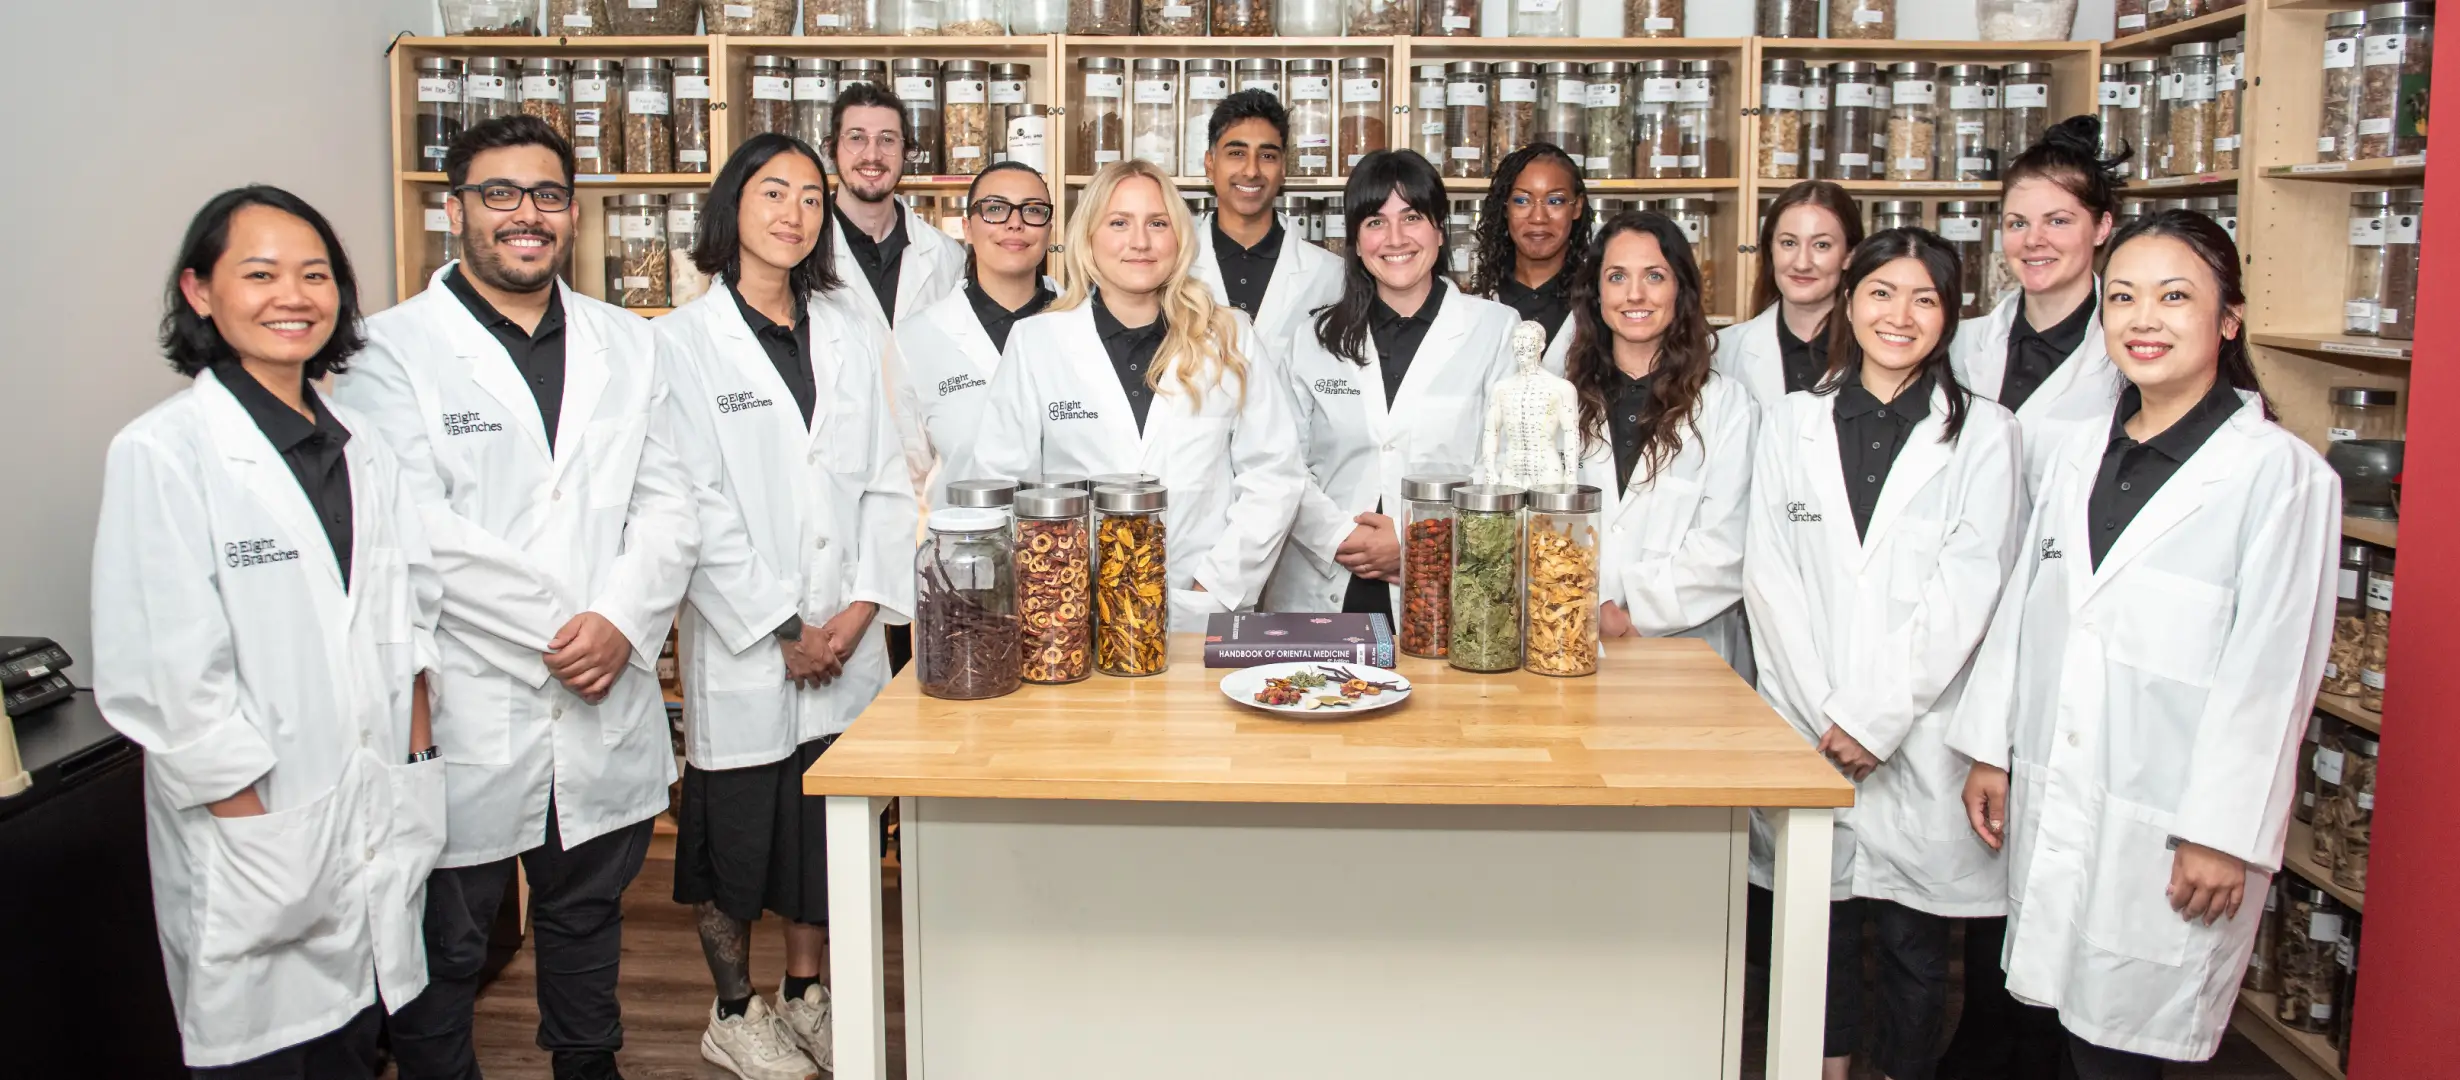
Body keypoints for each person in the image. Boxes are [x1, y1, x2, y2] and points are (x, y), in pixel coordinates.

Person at [336, 115, 700, 1080]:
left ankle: (590, 1067)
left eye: (545, 195)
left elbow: (670, 503)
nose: (525, 215)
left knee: (587, 915)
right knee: (447, 941)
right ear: (455, 209)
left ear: (573, 213)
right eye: (500, 194)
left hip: (603, 685)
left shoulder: (631, 342)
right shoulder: (385, 352)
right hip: (470, 698)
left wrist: (620, 623)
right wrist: (565, 631)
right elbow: (412, 528)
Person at [1949, 210, 2339, 1080]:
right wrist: (1989, 750)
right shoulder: (2079, 450)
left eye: (2174, 297)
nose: (2143, 319)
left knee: (2119, 1050)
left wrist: (2220, 833)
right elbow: (2026, 608)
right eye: (2122, 298)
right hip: (2059, 790)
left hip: (2169, 827)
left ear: (2227, 319)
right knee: (2047, 1025)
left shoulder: (2278, 477)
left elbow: (2273, 672)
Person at [92, 185, 445, 1078]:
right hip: (257, 840)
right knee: (269, 1055)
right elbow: (170, 686)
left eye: (316, 274)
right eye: (261, 274)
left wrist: (414, 763)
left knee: (355, 1046)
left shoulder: (363, 444)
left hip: (369, 818)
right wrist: (259, 839)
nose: (294, 296)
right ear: (200, 293)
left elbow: (412, 616)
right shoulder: (165, 453)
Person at [655, 131, 919, 1080]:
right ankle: (734, 1008)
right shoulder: (679, 345)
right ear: (733, 208)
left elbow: (887, 482)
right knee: (731, 838)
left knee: (824, 833)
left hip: (842, 641)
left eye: (811, 198)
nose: (794, 214)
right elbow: (689, 502)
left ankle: (807, 992)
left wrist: (855, 615)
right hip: (747, 643)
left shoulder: (849, 334)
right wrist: (781, 625)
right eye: (774, 193)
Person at [1742, 228, 2025, 1080]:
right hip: (1808, 720)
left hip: (1918, 730)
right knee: (1814, 932)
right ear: (1850, 301)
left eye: (1924, 299)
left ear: (1949, 315)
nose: (1898, 316)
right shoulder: (1794, 423)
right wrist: (1830, 713)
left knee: (1913, 944)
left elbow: (1968, 595)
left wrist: (1873, 718)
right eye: (1880, 293)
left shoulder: (1988, 437)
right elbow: (1770, 577)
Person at [958, 158, 1306, 630]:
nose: (1140, 241)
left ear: (1179, 238)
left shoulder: (1229, 335)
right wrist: (1054, 591)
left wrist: (1215, 587)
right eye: (1119, 222)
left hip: (1199, 614)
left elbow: (1274, 475)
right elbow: (1004, 485)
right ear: (1088, 239)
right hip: (1073, 619)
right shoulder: (1037, 341)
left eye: (1157, 223)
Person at [1261, 149, 1519, 617]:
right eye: (1375, 222)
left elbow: (1505, 468)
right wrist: (1342, 536)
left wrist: (1418, 542)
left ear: (1440, 229)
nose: (1395, 238)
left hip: (1445, 585)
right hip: (1325, 579)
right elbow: (1281, 462)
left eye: (1412, 217)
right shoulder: (1312, 339)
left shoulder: (1497, 330)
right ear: (1356, 241)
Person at [1561, 210, 1755, 678]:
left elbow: (1729, 544)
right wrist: (1588, 603)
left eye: (1654, 276)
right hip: (1567, 636)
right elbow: (1534, 522)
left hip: (1686, 656)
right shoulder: (1557, 397)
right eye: (1617, 277)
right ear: (1597, 293)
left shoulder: (1727, 406)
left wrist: (1631, 613)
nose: (1635, 294)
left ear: (1681, 290)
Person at [1949, 116, 2131, 498]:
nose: (2034, 240)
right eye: (2017, 224)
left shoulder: (2130, 352)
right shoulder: (1960, 344)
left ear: (2101, 228)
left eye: (2058, 221)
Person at [888, 161, 1060, 501]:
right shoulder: (916, 339)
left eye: (1032, 210)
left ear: (1049, 229)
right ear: (967, 228)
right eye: (995, 209)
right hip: (962, 546)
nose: (1015, 223)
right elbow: (906, 480)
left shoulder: (1088, 329)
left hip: (1071, 549)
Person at [1187, 89, 1343, 352]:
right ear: (1210, 164)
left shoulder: (1332, 275)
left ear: (1283, 169)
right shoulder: (1176, 269)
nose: (1251, 171)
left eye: (1267, 156)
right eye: (1237, 153)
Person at [827, 80, 966, 331]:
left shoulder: (947, 256)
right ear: (832, 148)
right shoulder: (804, 250)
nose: (872, 155)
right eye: (856, 138)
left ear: (907, 151)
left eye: (887, 140)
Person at [1713, 180, 1865, 408]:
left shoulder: (1874, 350)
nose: (1802, 263)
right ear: (1770, 250)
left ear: (1849, 255)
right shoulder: (1720, 352)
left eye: (1821, 245)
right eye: (1789, 243)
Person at [1467, 142, 1591, 376]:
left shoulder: (1600, 301)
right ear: (1505, 208)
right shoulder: (1477, 303)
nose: (1538, 217)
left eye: (1555, 201)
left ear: (1577, 207)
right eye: (1522, 201)